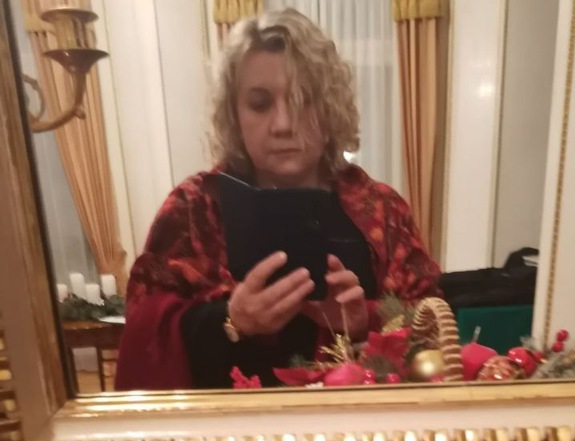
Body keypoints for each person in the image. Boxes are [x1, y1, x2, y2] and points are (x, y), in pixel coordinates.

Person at [115, 8, 441, 391]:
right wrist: (232, 319)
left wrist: (362, 321)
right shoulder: (194, 210)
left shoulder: (382, 210)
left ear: (330, 109)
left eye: (303, 100)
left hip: (356, 425)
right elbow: (144, 334)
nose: (284, 124)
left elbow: (432, 328)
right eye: (260, 103)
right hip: (229, 426)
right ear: (234, 116)